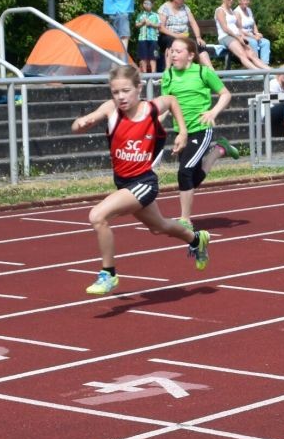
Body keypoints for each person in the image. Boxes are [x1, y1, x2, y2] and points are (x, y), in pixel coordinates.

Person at [71, 66, 210, 295]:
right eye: (115, 92)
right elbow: (81, 124)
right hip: (124, 183)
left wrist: (183, 132)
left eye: (126, 91)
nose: (121, 97)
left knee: (97, 216)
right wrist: (81, 122)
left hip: (144, 182)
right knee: (160, 227)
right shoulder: (111, 110)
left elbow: (173, 100)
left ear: (138, 88)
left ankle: (109, 274)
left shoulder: (151, 108)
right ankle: (196, 240)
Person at [161, 36, 238, 228]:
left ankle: (185, 219)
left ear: (190, 55)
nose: (174, 54)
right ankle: (219, 150)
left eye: (179, 51)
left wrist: (213, 111)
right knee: (191, 178)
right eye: (172, 51)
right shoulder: (168, 75)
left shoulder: (203, 72)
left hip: (201, 130)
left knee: (184, 172)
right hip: (182, 132)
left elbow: (226, 94)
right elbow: (165, 105)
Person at [158, 0, 212, 69]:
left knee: (198, 45)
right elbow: (161, 28)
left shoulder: (185, 8)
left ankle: (211, 70)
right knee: (171, 42)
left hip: (184, 36)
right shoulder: (164, 8)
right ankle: (167, 70)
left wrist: (198, 37)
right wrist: (176, 35)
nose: (184, 0)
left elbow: (193, 22)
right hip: (168, 35)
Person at [214, 0, 268, 69]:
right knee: (243, 55)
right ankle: (258, 72)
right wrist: (238, 37)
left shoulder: (231, 11)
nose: (231, 0)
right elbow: (225, 28)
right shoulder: (220, 11)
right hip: (226, 37)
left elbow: (238, 28)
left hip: (237, 36)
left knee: (252, 54)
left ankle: (270, 71)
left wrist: (242, 36)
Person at [234, 0, 271, 65]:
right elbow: (240, 29)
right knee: (253, 42)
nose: (246, 2)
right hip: (243, 36)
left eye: (248, 0)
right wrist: (253, 36)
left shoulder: (249, 10)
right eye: (244, 0)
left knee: (266, 42)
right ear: (239, 0)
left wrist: (257, 33)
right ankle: (256, 65)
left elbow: (253, 24)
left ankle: (265, 65)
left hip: (252, 35)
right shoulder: (237, 12)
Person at [134, 0, 160, 74]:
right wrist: (141, 23)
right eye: (145, 3)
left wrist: (151, 24)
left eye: (149, 3)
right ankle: (144, 74)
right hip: (142, 38)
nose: (146, 5)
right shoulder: (140, 15)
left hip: (153, 38)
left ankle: (153, 74)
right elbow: (136, 25)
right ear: (142, 5)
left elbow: (159, 25)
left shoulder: (156, 15)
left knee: (153, 57)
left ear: (152, 4)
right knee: (143, 57)